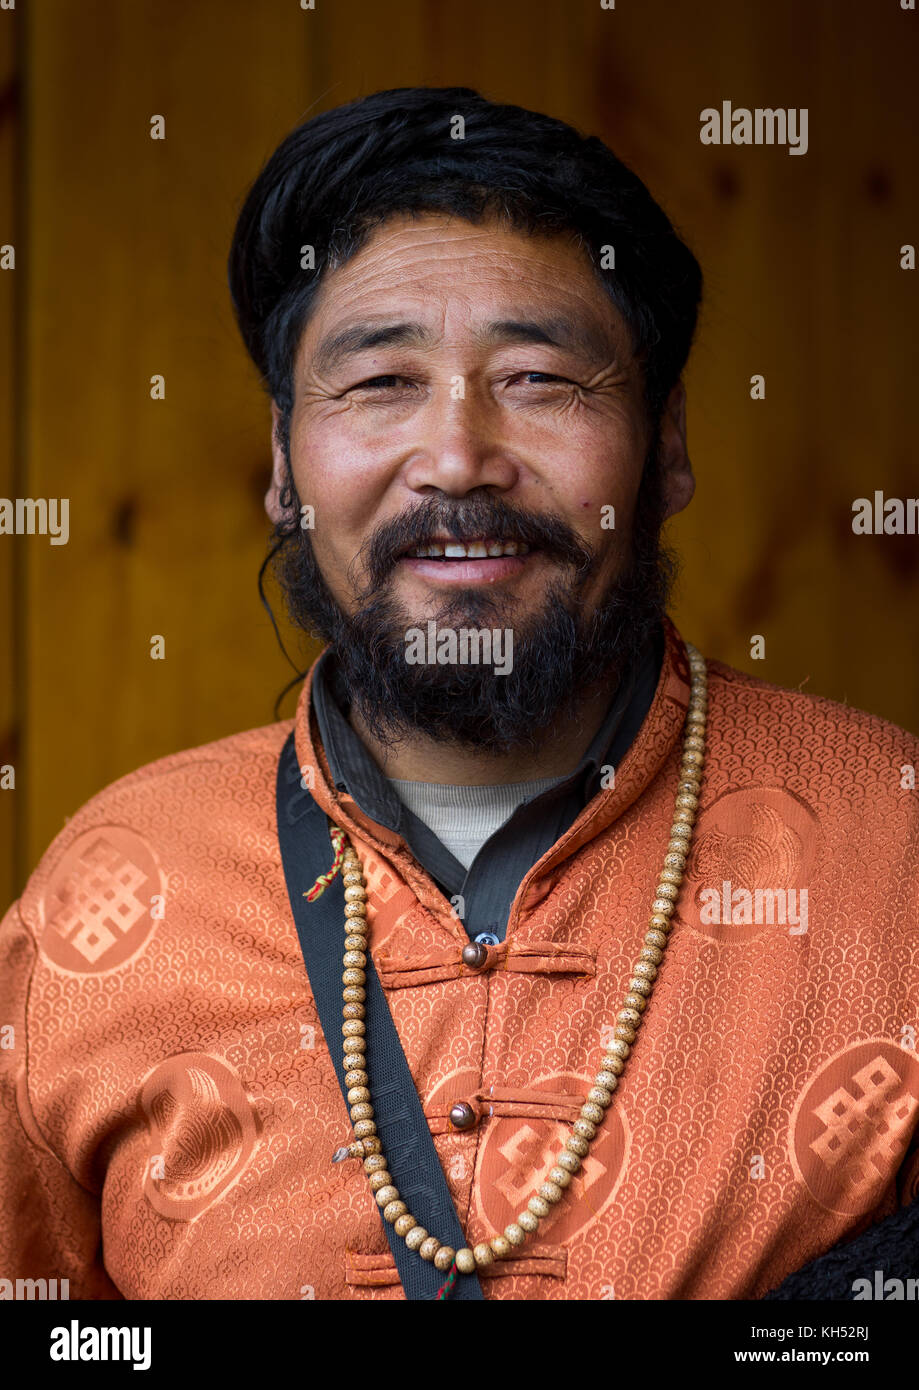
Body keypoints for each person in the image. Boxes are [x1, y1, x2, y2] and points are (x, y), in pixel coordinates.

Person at [1, 87, 917, 1302]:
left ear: (670, 443)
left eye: (540, 378)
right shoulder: (109, 894)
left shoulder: (892, 848)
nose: (455, 458)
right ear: (284, 465)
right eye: (379, 382)